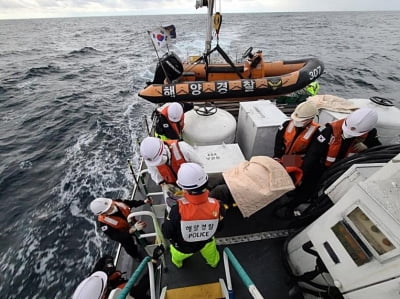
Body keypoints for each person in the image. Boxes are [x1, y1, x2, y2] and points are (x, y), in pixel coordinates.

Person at [293, 107, 381, 208]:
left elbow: (378, 149)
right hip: (321, 166)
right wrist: (302, 175)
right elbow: (313, 154)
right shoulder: (329, 131)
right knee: (307, 186)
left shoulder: (370, 134)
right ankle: (295, 204)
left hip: (344, 169)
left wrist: (367, 147)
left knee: (331, 192)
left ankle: (318, 205)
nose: (348, 134)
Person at [162, 163, 225, 269]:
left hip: (183, 248)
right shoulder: (218, 205)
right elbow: (219, 227)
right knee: (213, 258)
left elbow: (167, 233)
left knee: (176, 258)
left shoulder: (177, 210)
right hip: (206, 242)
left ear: (184, 189)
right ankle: (214, 264)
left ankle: (178, 265)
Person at [273, 101, 320, 167]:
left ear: (310, 119)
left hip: (298, 161)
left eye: (301, 120)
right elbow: (278, 141)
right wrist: (277, 157)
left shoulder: (315, 133)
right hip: (281, 156)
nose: (297, 121)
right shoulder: (286, 124)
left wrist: (287, 162)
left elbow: (311, 155)